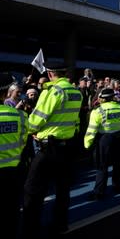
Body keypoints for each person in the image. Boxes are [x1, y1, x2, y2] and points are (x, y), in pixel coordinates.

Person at [22, 62, 82, 236]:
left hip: (48, 148)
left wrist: (31, 130)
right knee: (63, 189)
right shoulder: (75, 92)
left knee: (32, 189)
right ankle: (60, 224)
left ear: (49, 74)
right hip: (67, 146)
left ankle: (30, 230)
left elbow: (37, 118)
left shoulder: (54, 91)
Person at [84, 88, 120, 200]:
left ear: (103, 99)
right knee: (118, 164)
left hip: (104, 139)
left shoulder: (98, 111)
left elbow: (92, 130)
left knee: (102, 166)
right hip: (119, 138)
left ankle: (99, 192)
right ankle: (117, 186)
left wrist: (87, 144)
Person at [0, 73, 29, 239]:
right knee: (11, 213)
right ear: (5, 94)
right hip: (13, 171)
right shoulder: (20, 116)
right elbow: (23, 141)